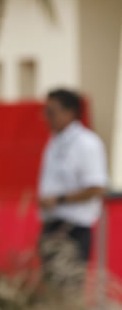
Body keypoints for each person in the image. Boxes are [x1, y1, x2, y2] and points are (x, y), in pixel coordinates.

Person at [36, 88, 109, 289]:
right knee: (52, 290)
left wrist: (58, 199)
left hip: (73, 229)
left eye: (51, 112)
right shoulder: (55, 141)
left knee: (69, 291)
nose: (46, 117)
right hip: (52, 225)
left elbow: (97, 188)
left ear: (70, 112)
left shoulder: (87, 143)